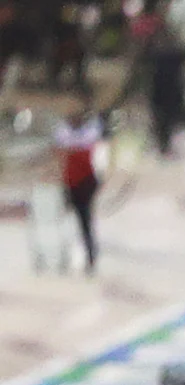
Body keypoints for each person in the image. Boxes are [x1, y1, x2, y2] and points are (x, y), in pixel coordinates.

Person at [51, 99, 100, 271]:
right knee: (66, 220)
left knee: (84, 220)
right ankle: (64, 256)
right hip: (70, 182)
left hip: (85, 182)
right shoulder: (63, 132)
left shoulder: (89, 131)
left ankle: (90, 255)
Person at [141, 7, 185, 156]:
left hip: (160, 88)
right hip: (170, 88)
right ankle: (166, 145)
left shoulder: (154, 50)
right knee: (169, 118)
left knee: (162, 118)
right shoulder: (174, 50)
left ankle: (163, 144)